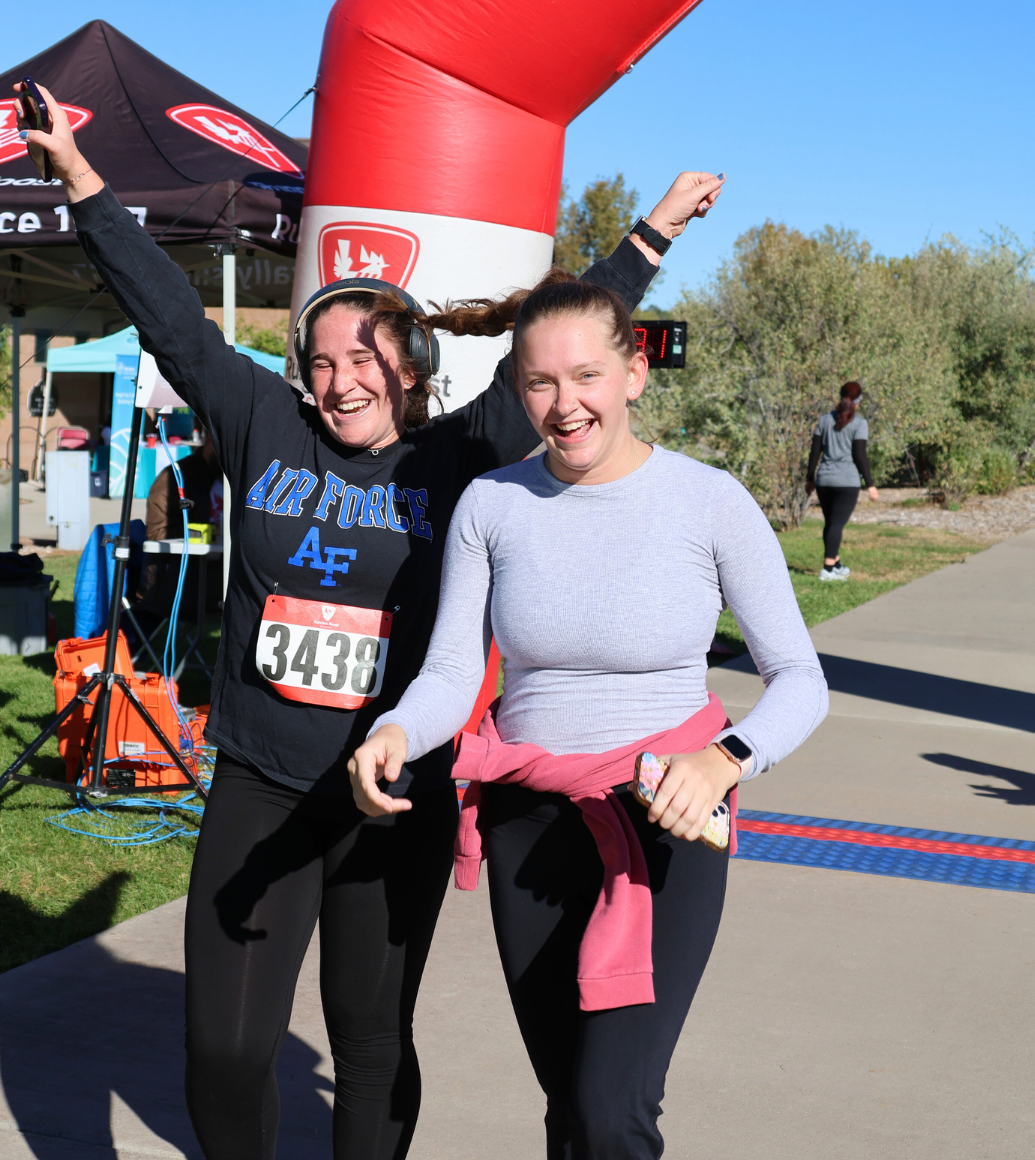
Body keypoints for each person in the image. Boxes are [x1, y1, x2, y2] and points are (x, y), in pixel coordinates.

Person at [16, 82, 725, 1159]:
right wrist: (80, 178)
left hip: (396, 796)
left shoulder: (455, 460)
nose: (340, 381)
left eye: (364, 360)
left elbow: (561, 338)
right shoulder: (260, 422)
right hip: (262, 780)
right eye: (321, 361)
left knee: (371, 1045)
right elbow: (165, 307)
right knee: (225, 1049)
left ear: (410, 369)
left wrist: (651, 234)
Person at [350, 274, 829, 1158]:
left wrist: (725, 760)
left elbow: (800, 677)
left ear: (634, 373)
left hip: (665, 820)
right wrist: (397, 731)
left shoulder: (709, 501)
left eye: (586, 378)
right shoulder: (493, 505)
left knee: (614, 1111)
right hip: (527, 824)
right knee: (571, 1103)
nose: (564, 406)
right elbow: (454, 669)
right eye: (540, 383)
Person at [135, 430, 224, 622]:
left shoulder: (231, 479)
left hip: (216, 577)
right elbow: (157, 532)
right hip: (177, 582)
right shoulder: (174, 478)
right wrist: (207, 534)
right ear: (211, 437)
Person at [805, 380, 878, 581]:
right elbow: (860, 455)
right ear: (858, 401)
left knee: (831, 523)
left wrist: (809, 478)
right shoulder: (859, 423)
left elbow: (814, 453)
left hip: (824, 480)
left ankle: (835, 563)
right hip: (847, 481)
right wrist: (870, 484)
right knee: (836, 524)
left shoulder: (824, 420)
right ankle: (828, 570)